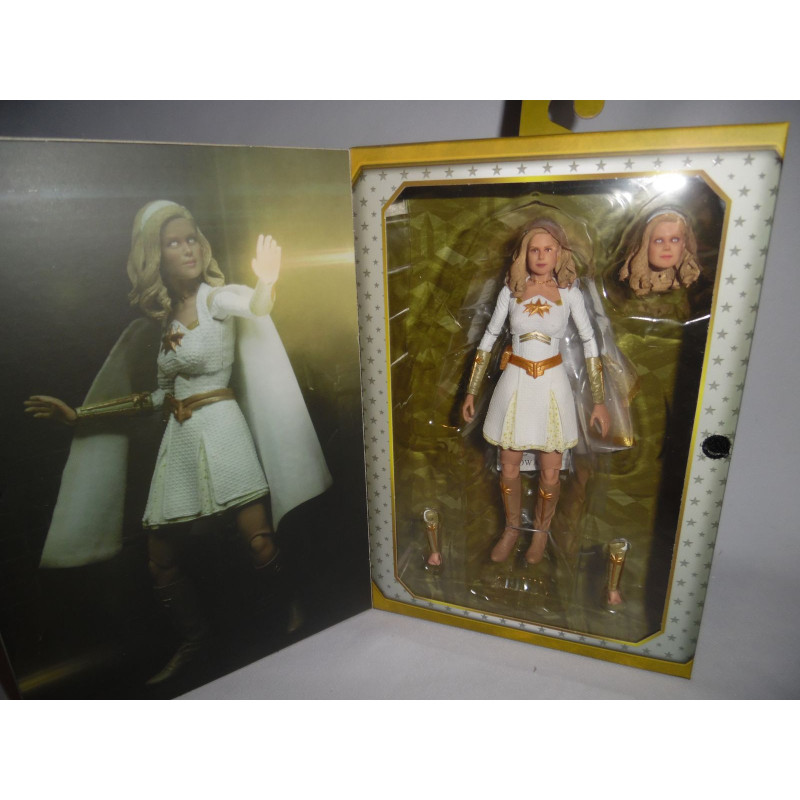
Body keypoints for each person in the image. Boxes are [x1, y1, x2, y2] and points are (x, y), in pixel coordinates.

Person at [25, 200, 332, 684]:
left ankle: (289, 612)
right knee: (160, 561)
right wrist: (79, 414)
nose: (187, 249)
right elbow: (156, 398)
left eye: (191, 239)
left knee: (258, 541)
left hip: (223, 431)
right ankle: (195, 640)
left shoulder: (216, 299)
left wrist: (267, 282)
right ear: (156, 256)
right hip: (181, 442)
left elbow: (254, 305)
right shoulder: (165, 322)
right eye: (174, 242)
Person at [461, 218, 610, 566]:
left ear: (560, 253)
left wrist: (599, 400)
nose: (541, 256)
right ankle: (512, 528)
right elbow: (488, 338)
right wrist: (471, 391)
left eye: (548, 249)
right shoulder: (511, 291)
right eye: (534, 249)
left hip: (552, 386)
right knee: (508, 463)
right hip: (515, 382)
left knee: (551, 470)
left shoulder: (570, 294)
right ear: (523, 254)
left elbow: (590, 340)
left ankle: (541, 533)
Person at [618, 209, 701, 297]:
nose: (667, 247)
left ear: (683, 244)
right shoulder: (626, 286)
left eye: (674, 240)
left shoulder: (693, 282)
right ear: (646, 245)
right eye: (659, 241)